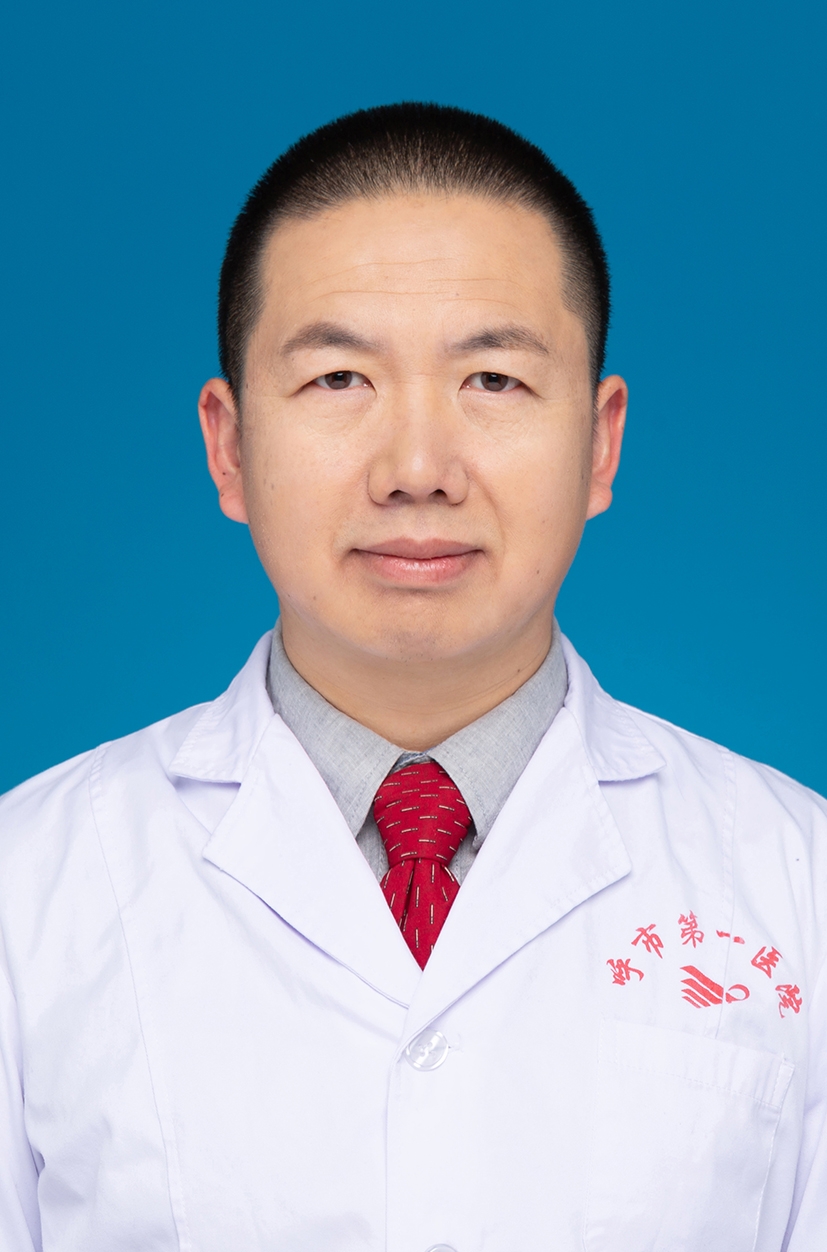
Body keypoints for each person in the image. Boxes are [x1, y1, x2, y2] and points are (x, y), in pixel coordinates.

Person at [0, 102, 824, 1252]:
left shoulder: (794, 882)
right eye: (340, 378)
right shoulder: (29, 891)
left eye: (491, 379)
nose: (418, 468)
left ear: (599, 443)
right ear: (228, 446)